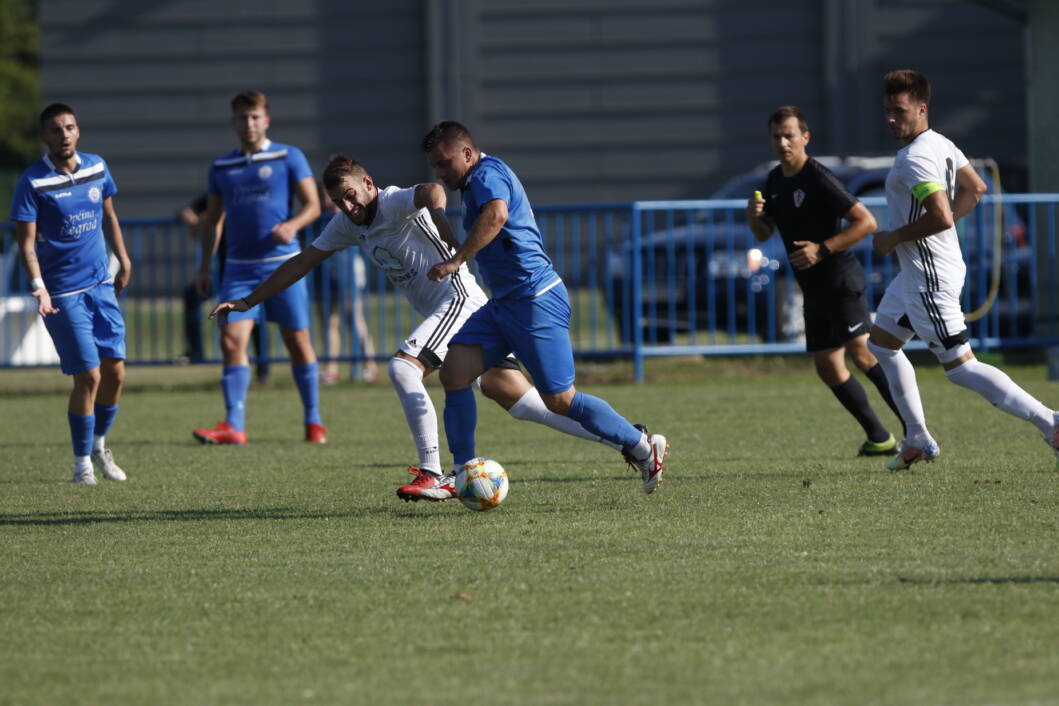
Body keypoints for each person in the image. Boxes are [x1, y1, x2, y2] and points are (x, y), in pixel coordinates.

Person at [208, 155, 621, 501]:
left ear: (368, 183)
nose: (347, 207)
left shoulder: (391, 201)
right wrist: (247, 301)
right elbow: (301, 262)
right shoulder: (347, 224)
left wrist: (440, 218)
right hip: (466, 309)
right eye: (337, 201)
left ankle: (434, 473)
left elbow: (430, 190)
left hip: (459, 299)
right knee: (524, 400)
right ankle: (629, 440)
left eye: (350, 195)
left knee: (404, 367)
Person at [422, 121, 668, 495]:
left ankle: (640, 444)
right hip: (505, 303)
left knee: (559, 399)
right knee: (454, 371)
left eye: (444, 163)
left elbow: (497, 216)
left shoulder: (488, 174)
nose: (440, 172)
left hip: (535, 299)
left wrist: (456, 260)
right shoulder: (474, 182)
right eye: (435, 166)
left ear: (467, 154)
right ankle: (462, 473)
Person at [867, 69, 1059, 469]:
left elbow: (939, 215)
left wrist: (895, 236)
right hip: (925, 271)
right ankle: (917, 436)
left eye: (898, 110)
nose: (890, 118)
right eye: (886, 110)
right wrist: (937, 230)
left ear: (921, 109)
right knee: (881, 345)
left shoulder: (915, 159)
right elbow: (977, 188)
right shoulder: (938, 143)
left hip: (928, 278)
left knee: (960, 367)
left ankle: (1051, 423)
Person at [747, 106, 904, 457]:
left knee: (863, 354)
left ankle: (916, 431)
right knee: (828, 367)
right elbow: (763, 234)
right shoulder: (774, 180)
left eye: (790, 135)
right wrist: (754, 218)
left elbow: (866, 222)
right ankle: (880, 437)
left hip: (840, 279)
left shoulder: (818, 177)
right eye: (777, 136)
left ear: (806, 137)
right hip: (813, 287)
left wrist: (823, 248)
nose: (783, 142)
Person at [192, 90, 325, 445]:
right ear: (233, 122)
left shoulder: (288, 156)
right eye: (241, 118)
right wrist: (205, 266)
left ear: (266, 120)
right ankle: (234, 425)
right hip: (238, 268)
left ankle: (314, 421)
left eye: (255, 117)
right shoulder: (222, 167)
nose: (248, 124)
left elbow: (313, 205)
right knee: (231, 338)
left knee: (297, 341)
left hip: (284, 265)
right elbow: (213, 220)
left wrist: (293, 226)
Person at [10, 103, 132, 484]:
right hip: (63, 294)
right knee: (89, 377)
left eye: (70, 127)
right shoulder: (32, 182)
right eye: (56, 129)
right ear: (44, 137)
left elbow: (109, 216)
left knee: (116, 373)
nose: (64, 134)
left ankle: (99, 445)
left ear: (78, 131)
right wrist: (39, 287)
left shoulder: (97, 167)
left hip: (101, 286)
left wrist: (123, 260)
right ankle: (81, 464)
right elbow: (26, 244)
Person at [177, 195, 270, 380]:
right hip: (225, 272)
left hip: (253, 269)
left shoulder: (256, 196)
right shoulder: (220, 189)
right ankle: (196, 352)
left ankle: (262, 368)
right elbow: (187, 210)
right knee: (192, 295)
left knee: (255, 315)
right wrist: (196, 220)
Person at [312, 181, 377, 385]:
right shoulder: (316, 220)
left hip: (345, 274)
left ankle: (369, 365)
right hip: (323, 275)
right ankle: (331, 368)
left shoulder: (346, 217)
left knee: (354, 320)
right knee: (328, 322)